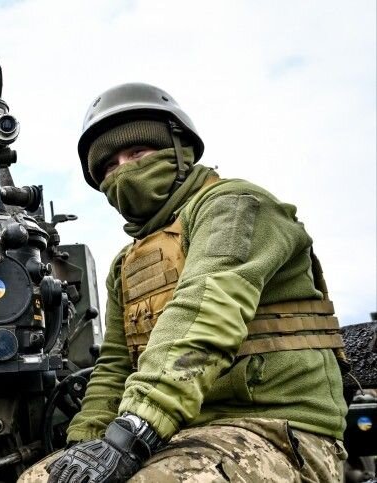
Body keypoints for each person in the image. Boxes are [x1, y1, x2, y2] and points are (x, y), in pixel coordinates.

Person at [19, 83, 349, 482]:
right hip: (178, 436)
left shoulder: (233, 205)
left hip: (279, 430)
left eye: (137, 153)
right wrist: (84, 445)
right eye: (109, 167)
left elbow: (205, 312)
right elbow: (115, 365)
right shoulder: (126, 262)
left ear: (180, 151)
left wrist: (132, 431)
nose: (124, 171)